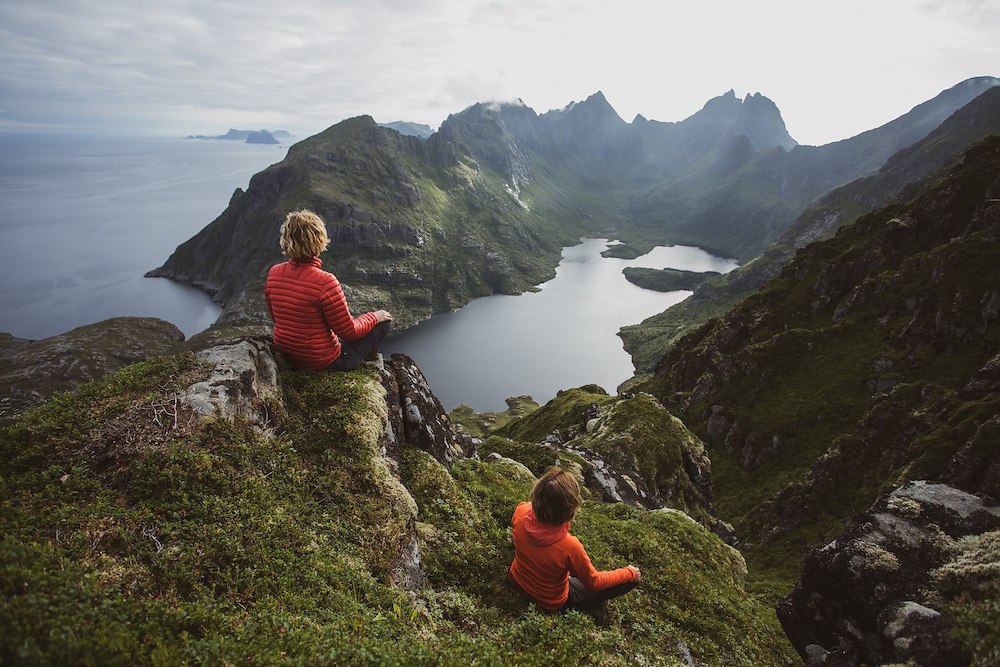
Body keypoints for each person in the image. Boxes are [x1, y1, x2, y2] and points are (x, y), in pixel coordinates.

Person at [264, 209, 392, 371]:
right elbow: (349, 333)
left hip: (288, 354)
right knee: (384, 322)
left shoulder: (274, 273)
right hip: (322, 362)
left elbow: (277, 318)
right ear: (319, 239)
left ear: (286, 240)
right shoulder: (325, 282)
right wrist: (374, 317)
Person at [509, 467, 640, 617]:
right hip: (551, 602)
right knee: (630, 581)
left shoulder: (520, 511)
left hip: (517, 578)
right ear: (569, 509)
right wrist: (630, 572)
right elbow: (594, 582)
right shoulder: (570, 546)